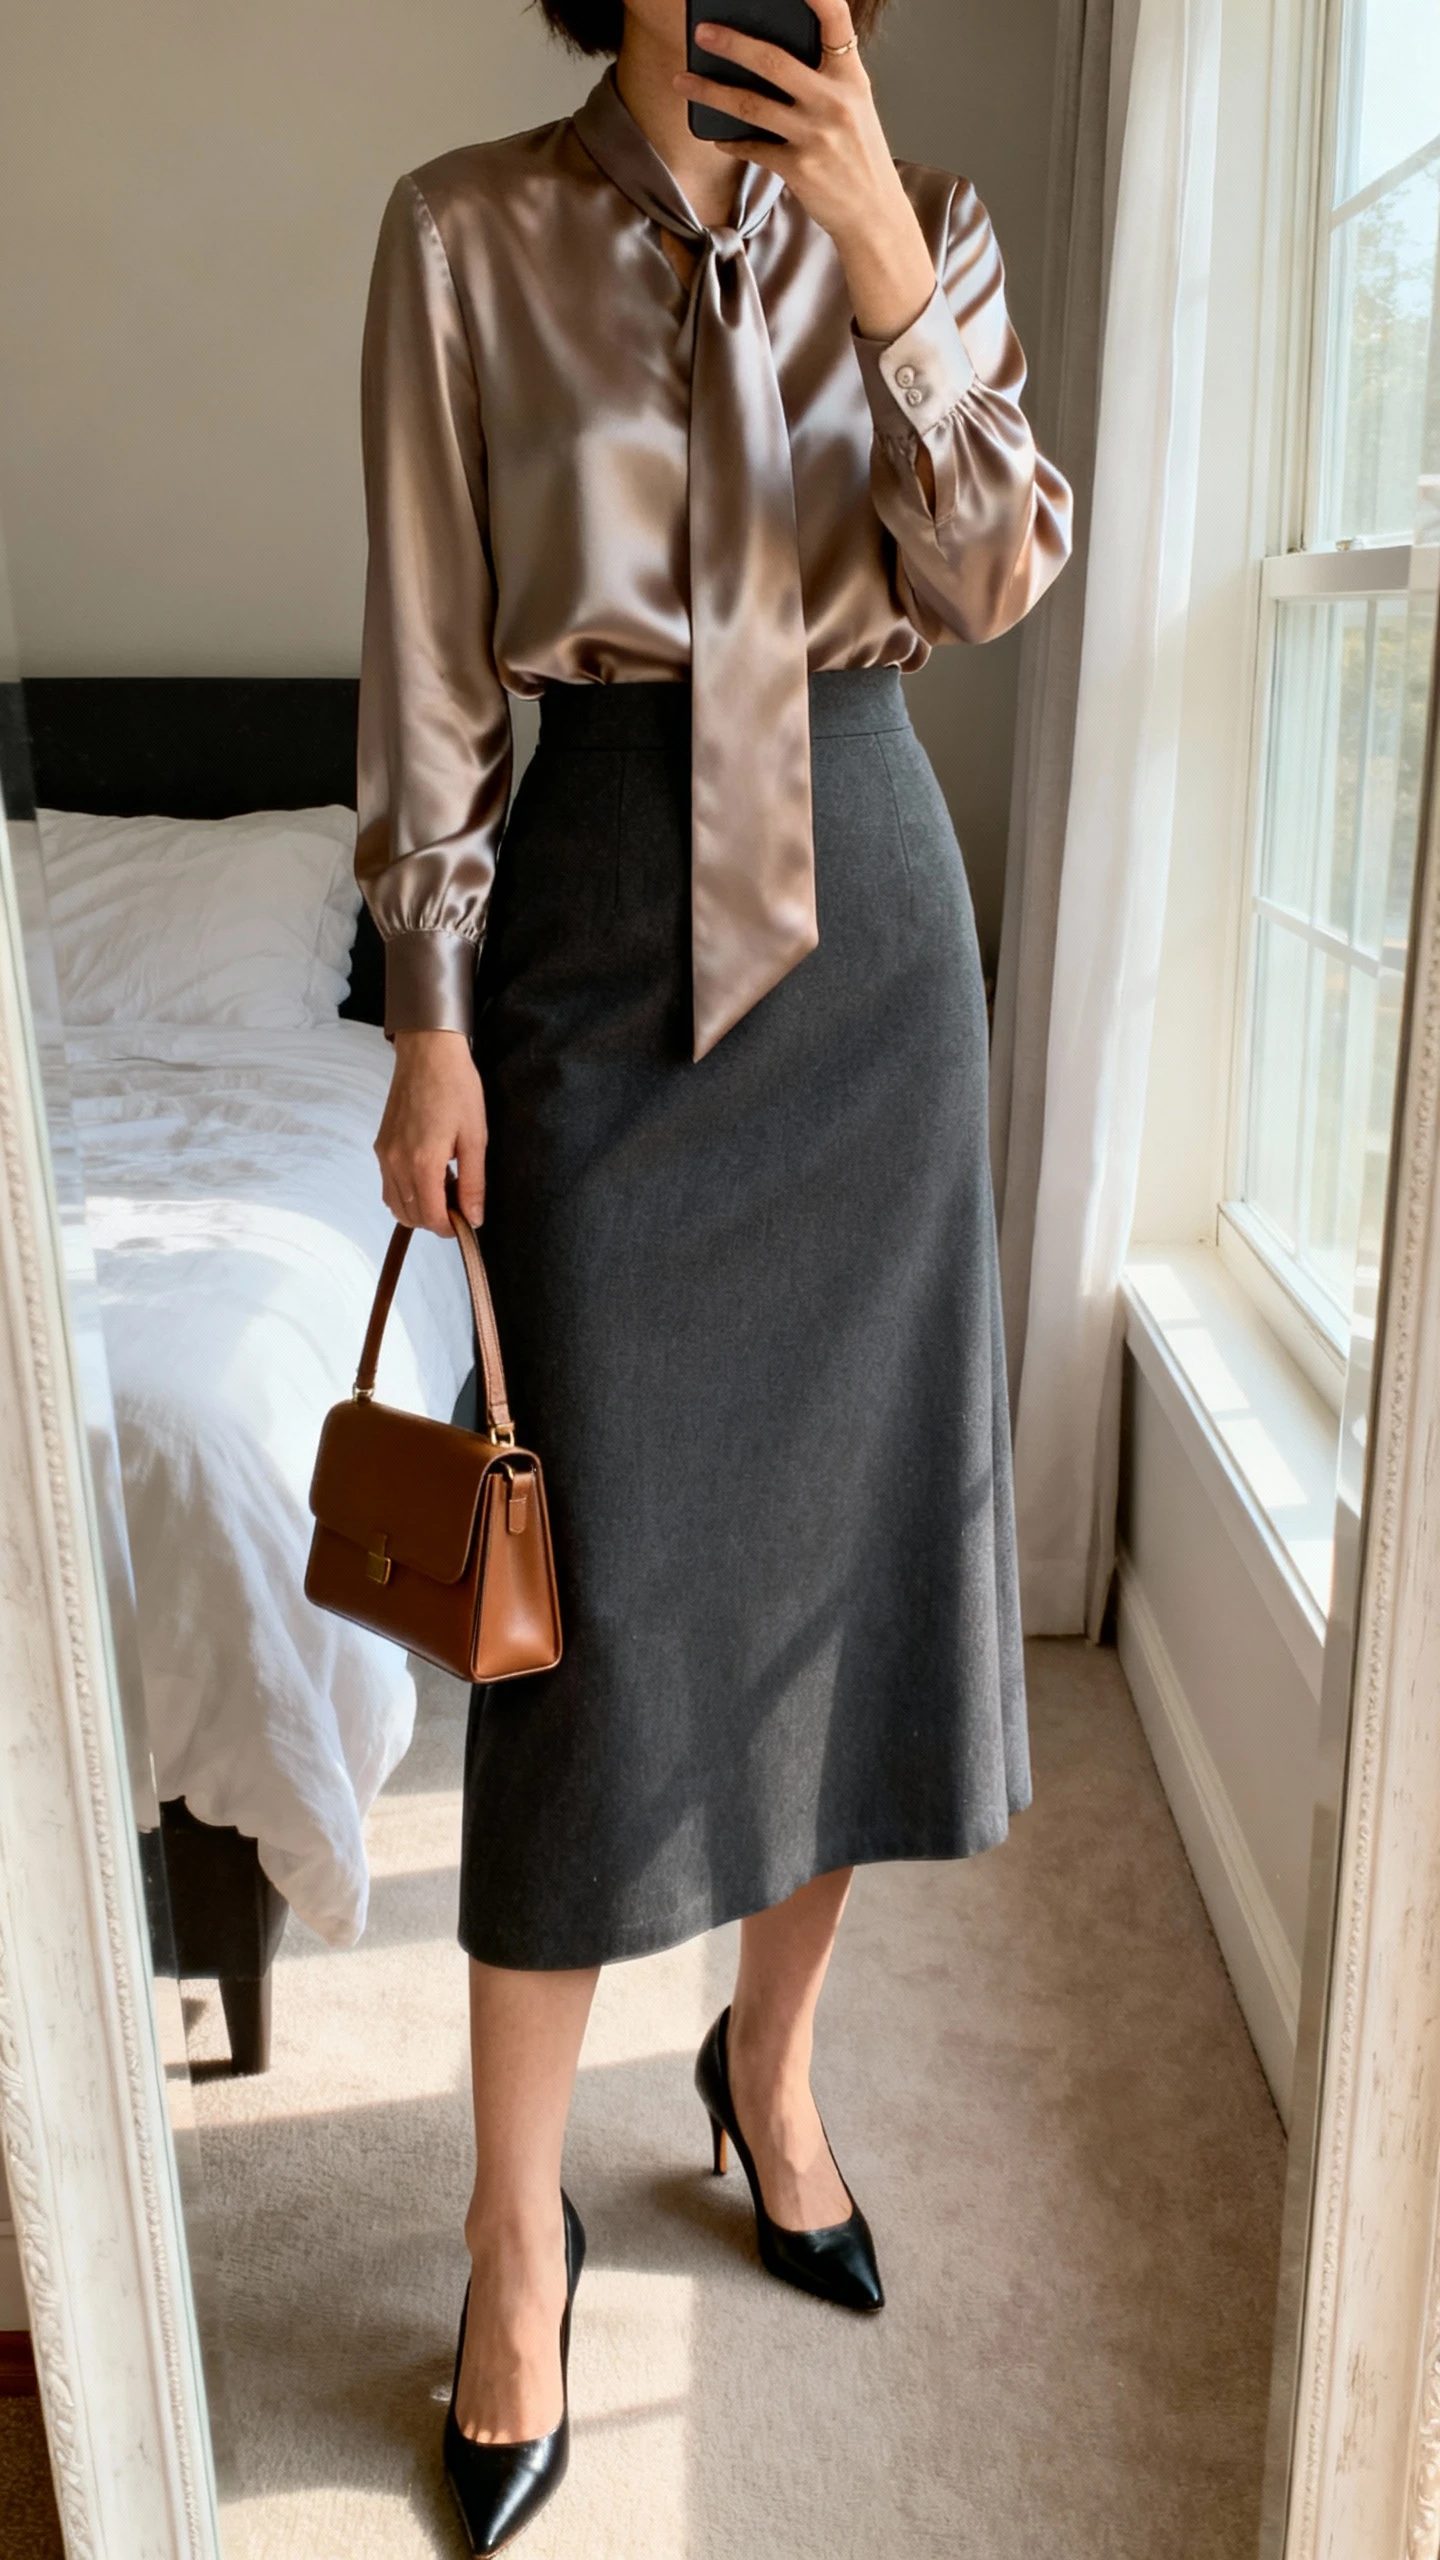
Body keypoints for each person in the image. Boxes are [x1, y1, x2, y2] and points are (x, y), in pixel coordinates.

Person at [356, 0, 1071, 2543]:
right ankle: (507, 2238)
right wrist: (427, 1015)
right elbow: (431, 650)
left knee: (849, 1581)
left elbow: (989, 571)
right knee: (590, 1635)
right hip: (591, 934)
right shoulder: (466, 235)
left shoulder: (928, 219)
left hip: (869, 931)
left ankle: (768, 2071)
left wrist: (883, 267)